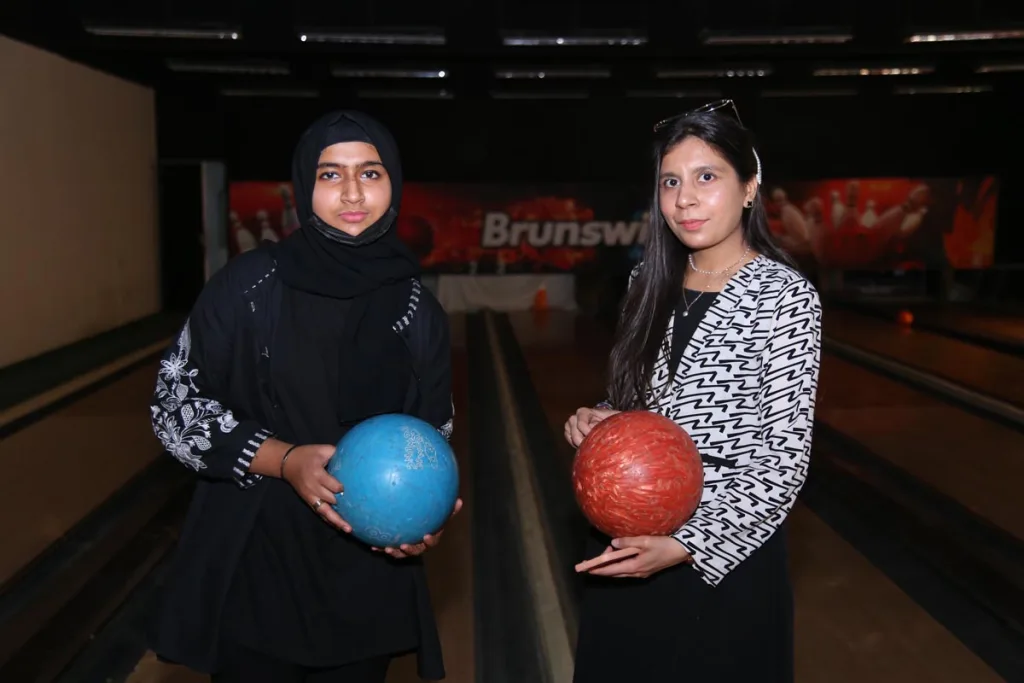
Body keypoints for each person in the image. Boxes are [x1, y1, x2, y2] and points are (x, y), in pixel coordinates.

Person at [148, 110, 459, 683]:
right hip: (259, 560)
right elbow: (173, 407)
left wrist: (426, 516)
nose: (350, 192)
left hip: (367, 574)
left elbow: (432, 434)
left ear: (393, 183)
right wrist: (284, 460)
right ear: (303, 186)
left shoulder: (420, 310)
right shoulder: (249, 285)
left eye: (370, 173)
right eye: (329, 174)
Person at [563, 100, 822, 683]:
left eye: (707, 177)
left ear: (750, 188)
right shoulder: (645, 281)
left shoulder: (785, 297)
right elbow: (640, 407)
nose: (685, 198)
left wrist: (690, 545)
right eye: (671, 181)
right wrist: (603, 421)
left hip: (725, 561)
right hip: (629, 539)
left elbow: (783, 459)